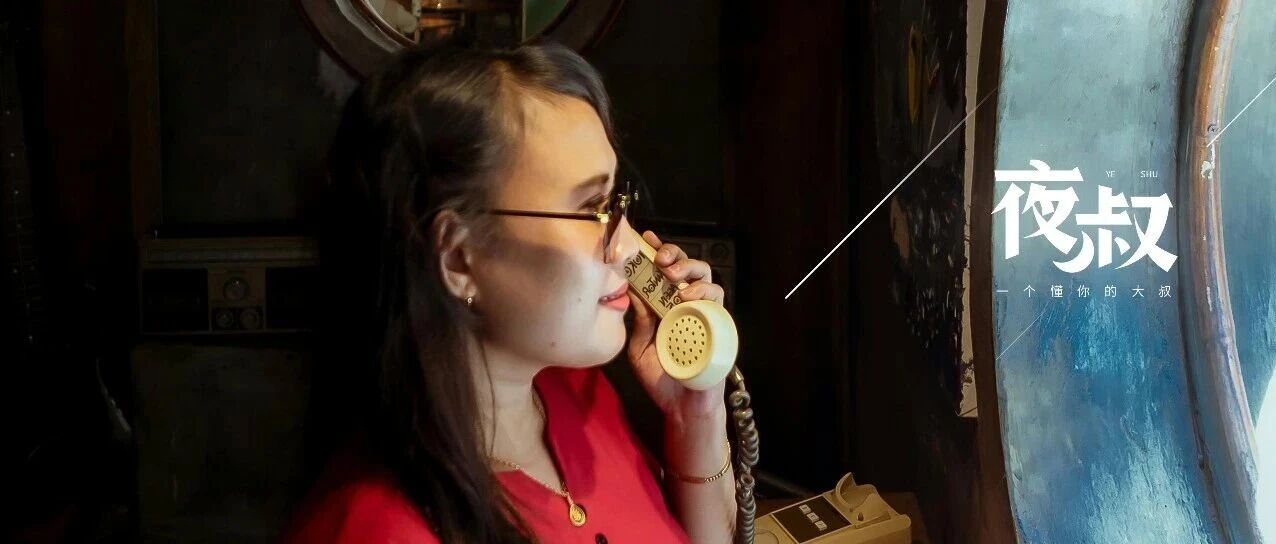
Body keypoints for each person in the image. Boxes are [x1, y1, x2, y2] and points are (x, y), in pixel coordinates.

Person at [284, 40, 737, 543]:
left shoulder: (579, 396)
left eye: (616, 202)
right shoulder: (384, 529)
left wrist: (696, 413)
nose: (629, 248)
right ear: (459, 258)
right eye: (593, 209)